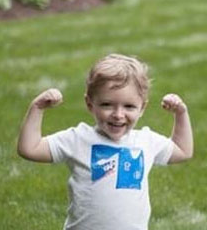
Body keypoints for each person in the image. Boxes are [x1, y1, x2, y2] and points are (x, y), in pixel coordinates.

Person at [17, 53, 194, 230]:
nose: (118, 114)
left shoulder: (146, 141)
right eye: (107, 105)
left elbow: (182, 150)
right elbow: (30, 149)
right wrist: (37, 108)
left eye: (129, 106)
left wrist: (181, 113)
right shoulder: (78, 139)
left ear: (142, 108)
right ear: (89, 104)